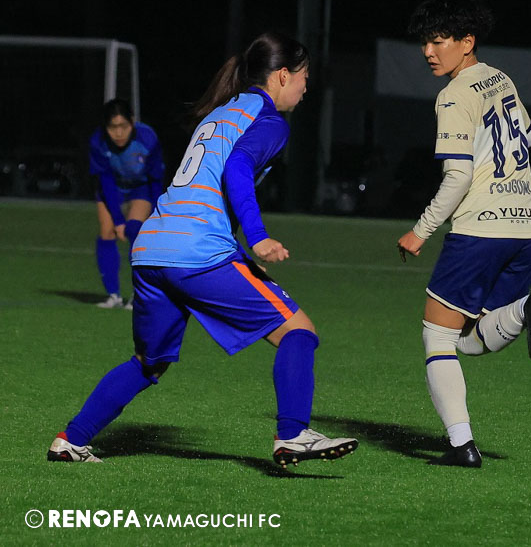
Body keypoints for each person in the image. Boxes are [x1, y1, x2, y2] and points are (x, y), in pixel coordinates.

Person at [48, 32, 358, 468]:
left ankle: (70, 439)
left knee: (149, 362)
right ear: (283, 75)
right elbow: (237, 166)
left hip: (151, 248)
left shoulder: (223, 111)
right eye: (305, 76)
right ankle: (293, 434)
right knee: (298, 332)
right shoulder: (269, 121)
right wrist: (257, 236)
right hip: (197, 251)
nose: (307, 87)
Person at [397, 0, 531, 468]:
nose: (428, 51)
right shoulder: (500, 78)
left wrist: (421, 230)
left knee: (437, 338)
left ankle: (461, 446)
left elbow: (459, 176)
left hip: (482, 230)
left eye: (439, 40)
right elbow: (530, 137)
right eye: (425, 42)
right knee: (468, 338)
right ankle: (529, 307)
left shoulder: (453, 95)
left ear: (467, 41)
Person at [89, 98, 164, 309]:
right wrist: (117, 219)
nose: (119, 133)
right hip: (112, 188)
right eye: (113, 127)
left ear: (132, 121)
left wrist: (157, 213)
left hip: (141, 187)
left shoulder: (148, 138)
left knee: (134, 230)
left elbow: (156, 179)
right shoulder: (98, 142)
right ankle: (113, 295)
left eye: (123, 126)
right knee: (107, 232)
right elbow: (105, 181)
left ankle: (138, 294)